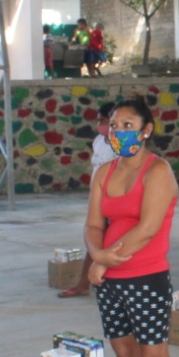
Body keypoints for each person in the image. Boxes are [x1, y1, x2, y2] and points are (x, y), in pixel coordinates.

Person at [86, 98, 179, 357]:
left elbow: (148, 228)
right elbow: (93, 224)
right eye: (114, 124)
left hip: (147, 277)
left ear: (146, 130)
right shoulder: (104, 173)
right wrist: (98, 255)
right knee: (124, 356)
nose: (119, 130)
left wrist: (105, 260)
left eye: (128, 124)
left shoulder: (158, 172)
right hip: (110, 278)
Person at [60, 102, 118, 297]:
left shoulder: (120, 145)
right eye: (98, 120)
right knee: (94, 241)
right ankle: (84, 284)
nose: (100, 124)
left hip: (113, 200)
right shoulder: (98, 141)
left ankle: (89, 283)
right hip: (98, 199)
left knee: (109, 241)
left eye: (104, 121)